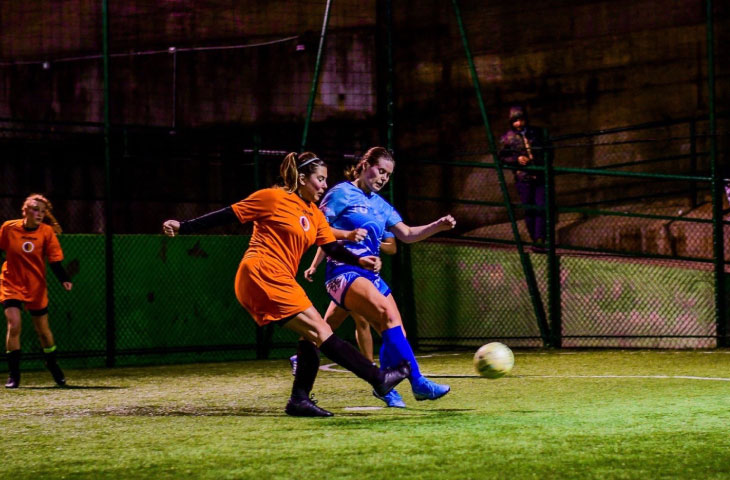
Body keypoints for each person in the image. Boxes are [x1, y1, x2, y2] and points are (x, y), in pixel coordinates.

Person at [162, 152, 410, 417]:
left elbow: (332, 248)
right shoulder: (272, 198)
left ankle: (299, 399)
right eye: (320, 179)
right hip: (260, 273)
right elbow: (228, 214)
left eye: (326, 180)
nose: (325, 185)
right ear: (301, 178)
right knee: (321, 331)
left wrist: (359, 262)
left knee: (312, 335)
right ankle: (378, 379)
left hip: (280, 279)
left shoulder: (314, 214)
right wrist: (184, 226)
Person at [303, 146, 456, 409]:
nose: (384, 178)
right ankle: (418, 382)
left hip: (369, 274)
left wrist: (437, 226)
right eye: (380, 170)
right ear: (364, 165)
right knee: (384, 314)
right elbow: (320, 228)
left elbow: (406, 234)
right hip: (342, 270)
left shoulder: (381, 205)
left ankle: (384, 386)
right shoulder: (341, 193)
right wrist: (347, 237)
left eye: (388, 174)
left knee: (397, 330)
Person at [2, 194, 73, 388]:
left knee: (43, 331)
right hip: (11, 283)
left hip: (35, 286)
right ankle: (14, 376)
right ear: (24, 210)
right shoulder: (8, 228)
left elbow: (55, 260)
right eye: (35, 209)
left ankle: (52, 364)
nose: (39, 214)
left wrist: (64, 279)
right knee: (14, 324)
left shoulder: (46, 232)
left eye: (42, 211)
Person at [498, 106, 548, 252]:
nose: (519, 124)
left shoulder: (537, 133)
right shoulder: (507, 138)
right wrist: (516, 159)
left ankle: (540, 240)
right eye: (515, 121)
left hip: (539, 175)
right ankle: (535, 238)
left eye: (521, 120)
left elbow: (548, 150)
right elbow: (501, 158)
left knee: (541, 207)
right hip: (523, 178)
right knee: (530, 208)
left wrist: (542, 164)